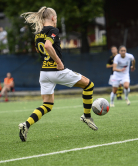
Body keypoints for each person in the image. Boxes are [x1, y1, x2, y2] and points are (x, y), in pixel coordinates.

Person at [18, 6, 98, 142]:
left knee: (47, 105)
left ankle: (26, 124)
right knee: (89, 85)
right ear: (53, 18)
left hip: (44, 73)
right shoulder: (53, 30)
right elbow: (48, 46)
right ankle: (86, 116)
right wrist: (59, 62)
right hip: (56, 71)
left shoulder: (37, 34)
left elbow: (41, 50)